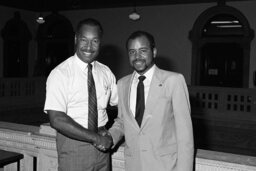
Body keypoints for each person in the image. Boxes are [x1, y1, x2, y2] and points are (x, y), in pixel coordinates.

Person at [108, 31, 194, 171]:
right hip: (134, 166)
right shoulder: (122, 84)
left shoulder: (173, 81)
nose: (137, 57)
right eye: (132, 52)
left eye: (143, 51)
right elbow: (123, 121)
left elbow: (185, 136)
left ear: (153, 52)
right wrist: (109, 138)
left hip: (165, 166)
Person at [44, 18, 117, 171]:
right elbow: (57, 119)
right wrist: (95, 137)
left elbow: (120, 103)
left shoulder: (106, 72)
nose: (89, 47)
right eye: (84, 40)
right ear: (76, 39)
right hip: (73, 146)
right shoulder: (60, 73)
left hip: (103, 148)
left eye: (95, 41)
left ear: (100, 43)